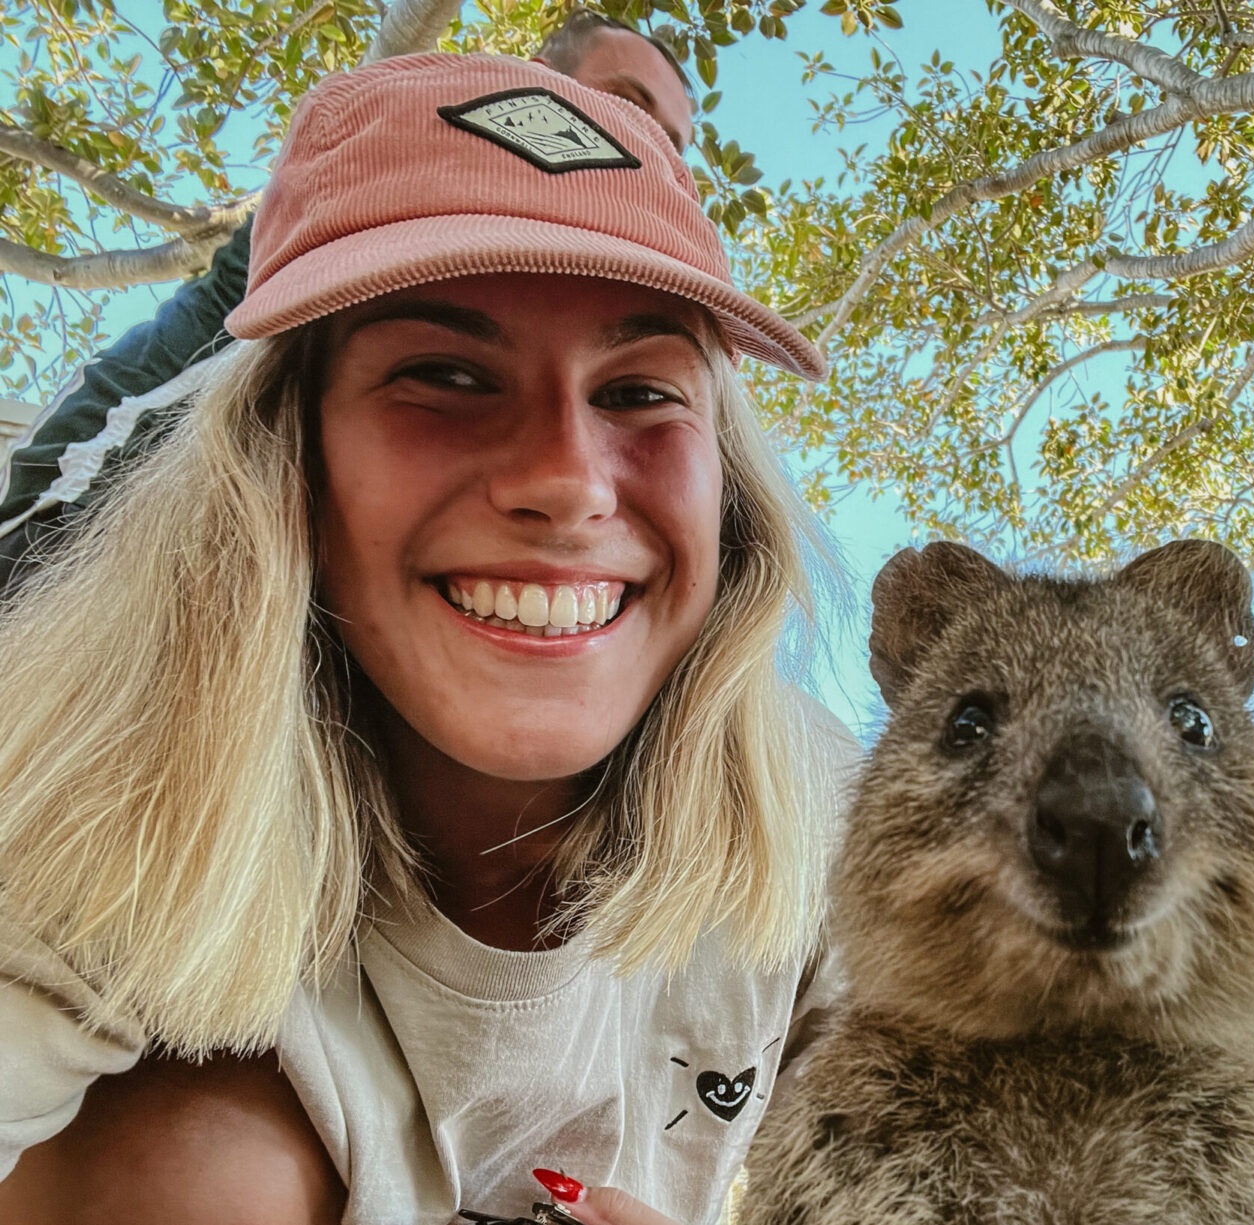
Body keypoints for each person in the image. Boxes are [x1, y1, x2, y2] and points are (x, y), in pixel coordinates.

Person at [0, 50, 847, 1225]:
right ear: (286, 456)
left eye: (641, 391)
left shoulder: (831, 802)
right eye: (444, 374)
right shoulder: (106, 779)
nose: (566, 480)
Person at [0, 8, 697, 592]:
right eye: (632, 107)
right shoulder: (396, 169)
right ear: (535, 87)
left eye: (677, 144)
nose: (660, 154)